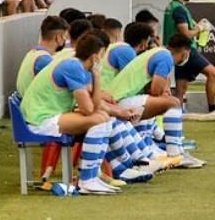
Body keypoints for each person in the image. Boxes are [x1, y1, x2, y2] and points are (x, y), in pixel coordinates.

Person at [20, 31, 157, 194]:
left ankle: (104, 172)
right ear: (95, 56)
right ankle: (90, 178)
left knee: (104, 117)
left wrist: (118, 111)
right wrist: (97, 77)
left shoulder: (77, 66)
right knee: (100, 119)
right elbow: (89, 109)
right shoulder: (73, 67)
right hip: (39, 121)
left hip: (43, 116)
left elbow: (96, 104)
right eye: (102, 55)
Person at [106, 22, 203, 168]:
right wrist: (164, 91)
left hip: (116, 101)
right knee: (173, 103)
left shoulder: (158, 53)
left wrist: (163, 91)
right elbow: (155, 90)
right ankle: (175, 154)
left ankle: (163, 149)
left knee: (162, 103)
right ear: (185, 52)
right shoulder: (165, 57)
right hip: (118, 103)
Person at [164, 0, 215, 114]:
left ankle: (177, 114)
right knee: (213, 73)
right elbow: (186, 33)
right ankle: (212, 110)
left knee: (181, 87)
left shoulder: (171, 6)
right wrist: (199, 28)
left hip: (175, 50)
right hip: (185, 49)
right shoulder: (179, 9)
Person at [16, 15, 68, 96]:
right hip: (35, 107)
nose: (65, 39)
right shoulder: (44, 61)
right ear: (58, 38)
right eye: (65, 36)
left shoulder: (33, 53)